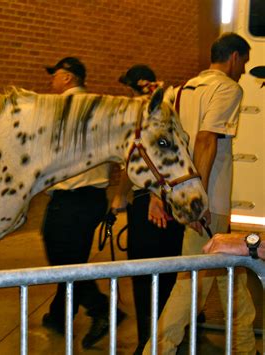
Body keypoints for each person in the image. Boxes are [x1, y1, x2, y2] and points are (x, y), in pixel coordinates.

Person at [143, 33, 257, 355]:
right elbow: (206, 140)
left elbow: (162, 145)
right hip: (208, 202)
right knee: (190, 286)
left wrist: (160, 195)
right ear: (234, 57)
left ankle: (245, 347)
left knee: (229, 275)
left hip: (191, 198)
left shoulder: (181, 91)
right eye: (244, 63)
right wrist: (199, 200)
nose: (243, 70)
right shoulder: (227, 88)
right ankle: (158, 350)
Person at [41, 57, 125, 349]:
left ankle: (102, 310)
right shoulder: (102, 107)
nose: (51, 81)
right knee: (72, 257)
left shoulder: (62, 108)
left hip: (69, 198)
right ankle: (58, 315)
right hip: (93, 199)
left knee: (62, 261)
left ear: (68, 78)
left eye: (55, 75)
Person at [111, 64, 185, 354]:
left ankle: (150, 342)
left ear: (136, 86)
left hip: (151, 205)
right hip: (174, 200)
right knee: (169, 272)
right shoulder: (173, 105)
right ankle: (168, 337)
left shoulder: (144, 113)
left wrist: (121, 199)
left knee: (145, 276)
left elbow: (132, 165)